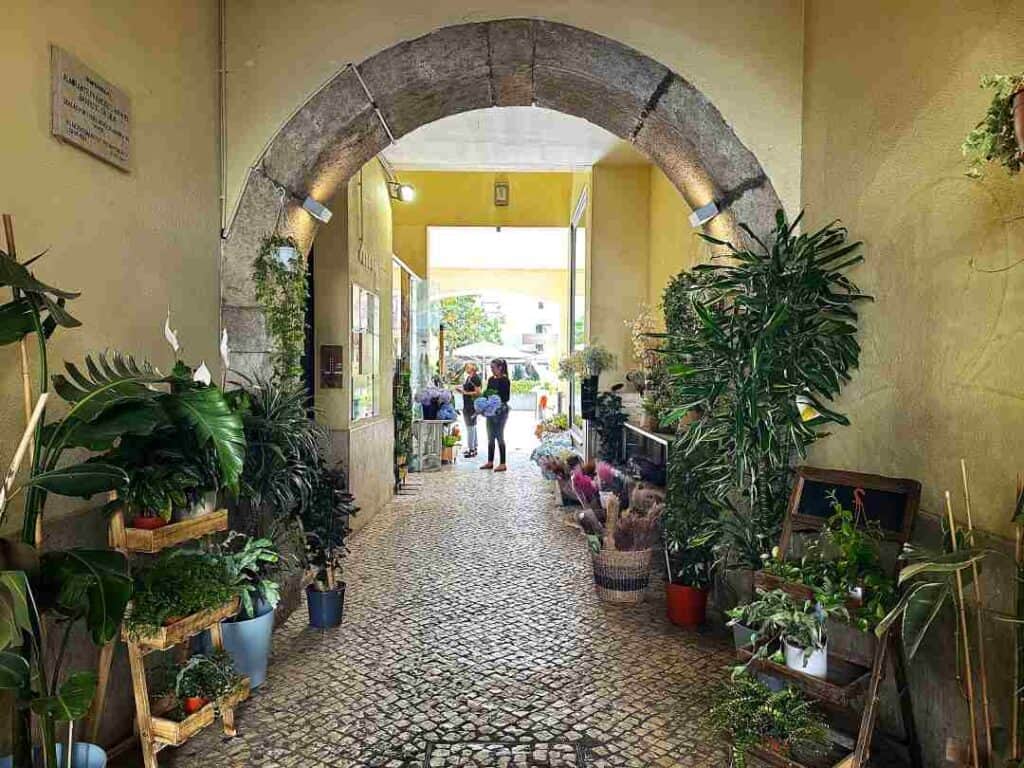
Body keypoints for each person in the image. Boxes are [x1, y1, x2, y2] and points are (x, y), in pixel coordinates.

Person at [481, 358, 511, 472]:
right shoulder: (490, 380)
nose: (492, 370)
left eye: (493, 368)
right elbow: (486, 393)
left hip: (501, 411)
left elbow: (506, 397)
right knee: (490, 436)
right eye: (491, 368)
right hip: (490, 411)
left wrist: (495, 397)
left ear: (500, 368)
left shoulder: (505, 380)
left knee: (499, 435)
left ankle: (503, 463)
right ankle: (490, 461)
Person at [456, 362, 482, 458]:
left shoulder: (475, 378)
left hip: (471, 405)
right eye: (466, 366)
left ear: (474, 368)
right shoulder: (469, 378)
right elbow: (466, 388)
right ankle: (474, 448)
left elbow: (478, 392)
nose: (466, 368)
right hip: (468, 405)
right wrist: (460, 389)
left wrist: (465, 393)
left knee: (470, 426)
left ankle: (471, 449)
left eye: (468, 366)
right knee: (472, 426)